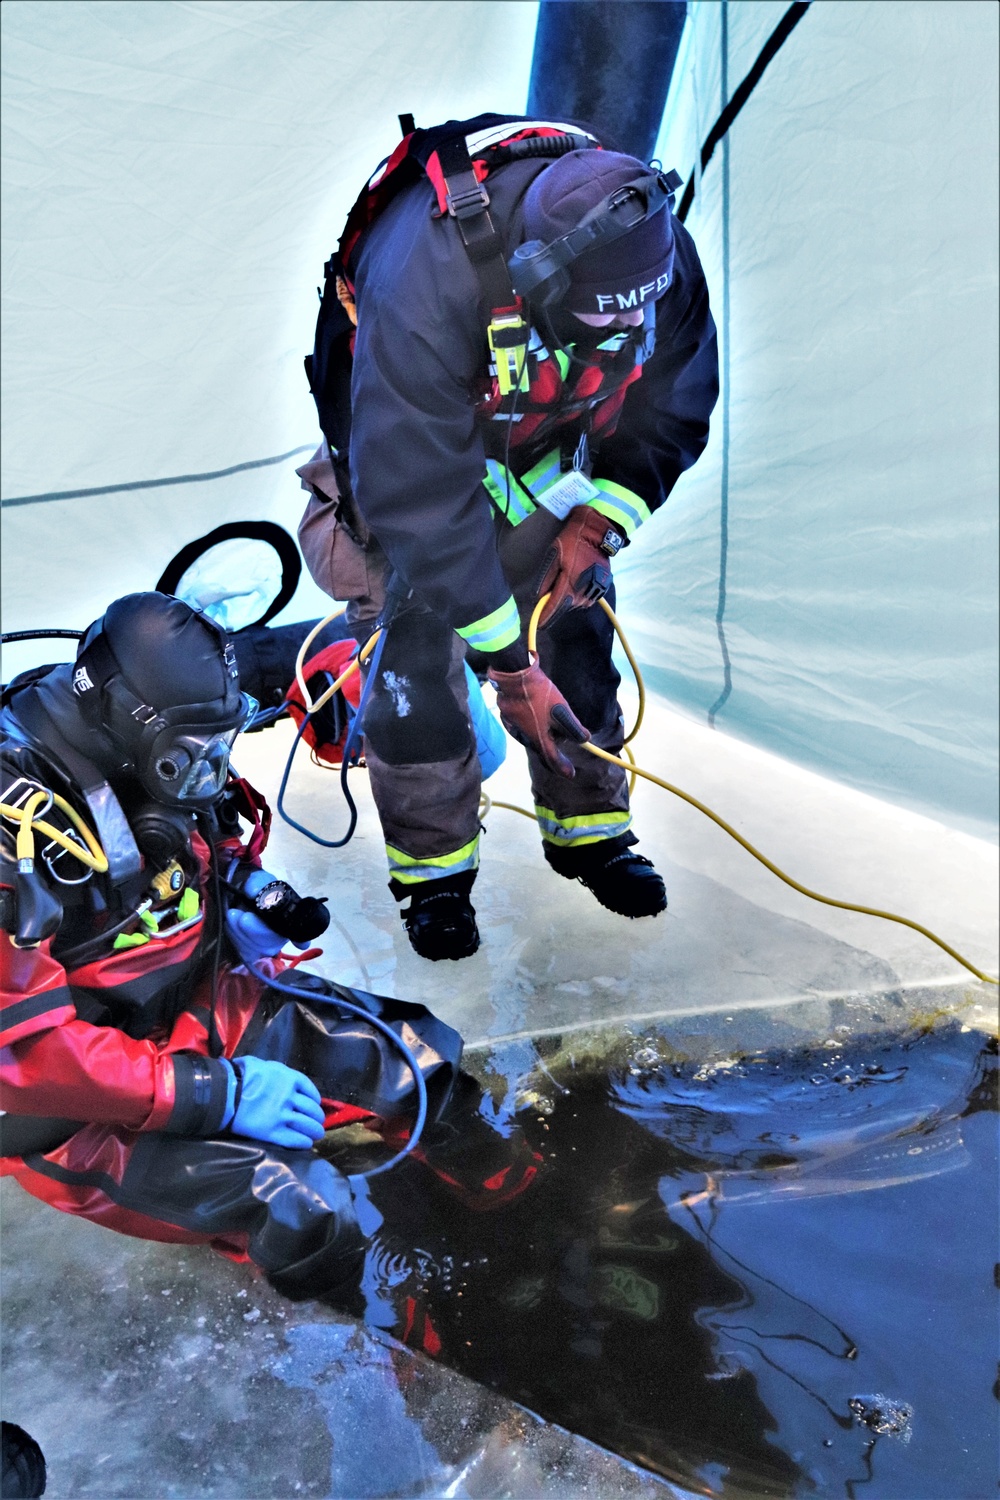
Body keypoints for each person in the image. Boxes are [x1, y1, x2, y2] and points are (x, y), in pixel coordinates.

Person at [0, 592, 529, 1304]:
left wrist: (244, 896)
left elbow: (192, 831)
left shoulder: (149, 748)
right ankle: (384, 1337)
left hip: (192, 999)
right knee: (304, 1210)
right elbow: (26, 1062)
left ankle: (530, 1233)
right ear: (136, 724)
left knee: (422, 1057)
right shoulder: (16, 833)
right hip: (78, 1104)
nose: (211, 768)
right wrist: (216, 1095)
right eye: (196, 755)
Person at [301, 113, 719, 963]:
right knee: (415, 657)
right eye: (596, 324)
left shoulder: (654, 249)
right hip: (405, 468)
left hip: (537, 449)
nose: (617, 339)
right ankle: (435, 879)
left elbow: (676, 398)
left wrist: (597, 523)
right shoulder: (428, 279)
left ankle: (591, 833)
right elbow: (421, 499)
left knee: (576, 618)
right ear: (539, 275)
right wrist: (508, 667)